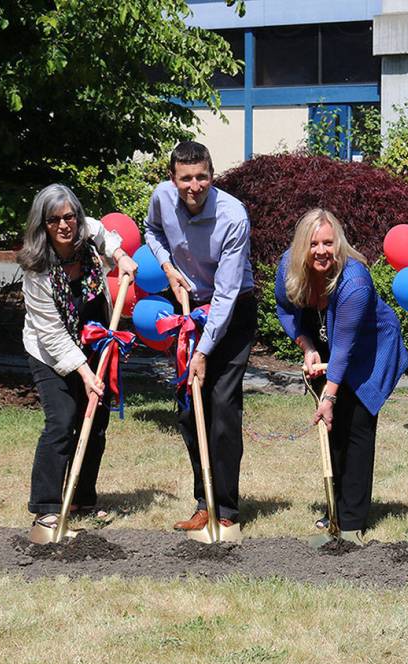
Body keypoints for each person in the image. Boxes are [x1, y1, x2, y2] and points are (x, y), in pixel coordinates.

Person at [275, 208, 408, 536]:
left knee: (357, 426)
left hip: (370, 348)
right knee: (333, 432)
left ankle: (352, 520)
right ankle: (333, 507)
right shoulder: (288, 267)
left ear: (339, 244)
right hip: (326, 341)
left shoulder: (355, 281)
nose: (320, 251)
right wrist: (307, 347)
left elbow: (346, 347)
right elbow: (286, 309)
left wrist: (329, 396)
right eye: (313, 244)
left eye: (328, 243)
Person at [144, 141, 256, 533]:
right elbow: (151, 230)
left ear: (213, 175)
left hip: (232, 311)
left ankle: (226, 510)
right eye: (185, 178)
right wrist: (166, 266)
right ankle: (202, 500)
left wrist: (204, 350)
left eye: (202, 177)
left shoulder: (232, 216)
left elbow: (226, 294)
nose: (194, 186)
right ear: (173, 179)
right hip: (187, 306)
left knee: (222, 407)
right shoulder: (161, 197)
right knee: (190, 410)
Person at [18, 184, 138, 529]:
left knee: (95, 422)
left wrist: (120, 256)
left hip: (95, 339)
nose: (64, 225)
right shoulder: (36, 268)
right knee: (63, 420)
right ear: (43, 225)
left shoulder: (87, 232)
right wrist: (86, 376)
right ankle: (46, 504)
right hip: (48, 349)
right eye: (54, 220)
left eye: (69, 216)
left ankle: (83, 498)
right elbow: (52, 334)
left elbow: (105, 234)